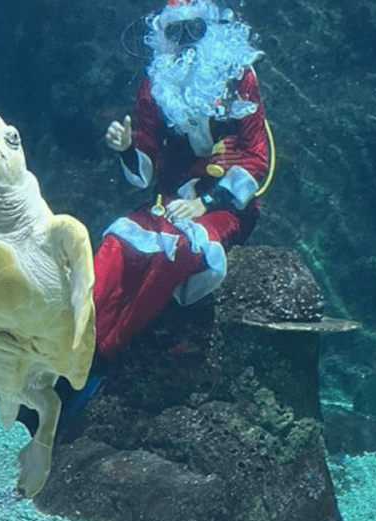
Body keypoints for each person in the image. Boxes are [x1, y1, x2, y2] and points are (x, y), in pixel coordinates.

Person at [96, 0, 271, 361]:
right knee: (117, 240)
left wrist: (203, 204)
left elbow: (257, 160)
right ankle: (77, 337)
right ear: (165, 37)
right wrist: (127, 149)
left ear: (212, 31)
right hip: (170, 199)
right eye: (177, 32)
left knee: (177, 247)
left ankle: (108, 351)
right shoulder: (155, 84)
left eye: (196, 29)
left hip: (225, 206)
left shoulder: (239, 78)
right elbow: (145, 155)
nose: (187, 40)